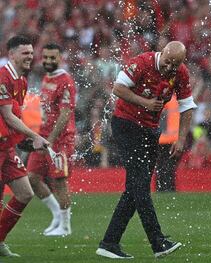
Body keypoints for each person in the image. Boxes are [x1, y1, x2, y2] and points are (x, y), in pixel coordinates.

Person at [96, 41, 197, 259]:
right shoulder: (142, 62)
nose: (171, 67)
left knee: (135, 187)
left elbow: (187, 105)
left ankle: (109, 242)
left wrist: (181, 138)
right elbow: (118, 88)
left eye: (176, 63)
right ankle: (158, 242)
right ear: (163, 54)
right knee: (141, 185)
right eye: (169, 62)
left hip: (150, 129)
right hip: (126, 124)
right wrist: (144, 102)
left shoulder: (181, 73)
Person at [0, 35, 50, 257]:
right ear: (11, 55)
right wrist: (34, 135)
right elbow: (8, 116)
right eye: (25, 53)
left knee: (24, 193)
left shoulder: (22, 80)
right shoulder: (3, 76)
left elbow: (13, 119)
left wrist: (25, 140)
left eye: (31, 52)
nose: (30, 56)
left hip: (6, 147)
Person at [27, 43, 76, 236]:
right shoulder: (47, 77)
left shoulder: (66, 81)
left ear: (60, 57)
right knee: (31, 178)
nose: (48, 61)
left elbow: (65, 114)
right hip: (44, 137)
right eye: (45, 57)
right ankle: (57, 215)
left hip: (60, 140)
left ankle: (65, 227)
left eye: (52, 58)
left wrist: (50, 139)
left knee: (59, 181)